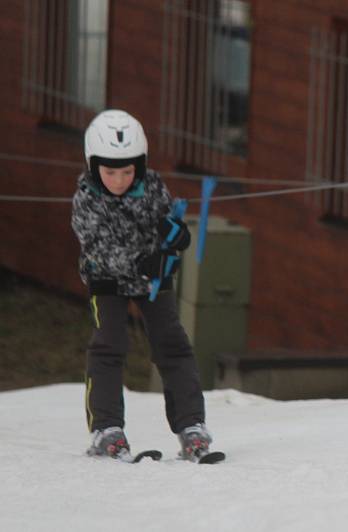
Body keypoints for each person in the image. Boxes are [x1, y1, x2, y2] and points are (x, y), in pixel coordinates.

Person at [71, 109, 215, 462]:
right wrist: (141, 261)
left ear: (140, 165)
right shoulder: (86, 199)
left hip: (154, 279)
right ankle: (107, 428)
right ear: (93, 167)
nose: (119, 180)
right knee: (109, 345)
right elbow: (98, 248)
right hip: (107, 281)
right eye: (110, 172)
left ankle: (191, 426)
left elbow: (165, 223)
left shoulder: (151, 187)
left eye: (127, 171)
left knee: (173, 344)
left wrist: (175, 237)